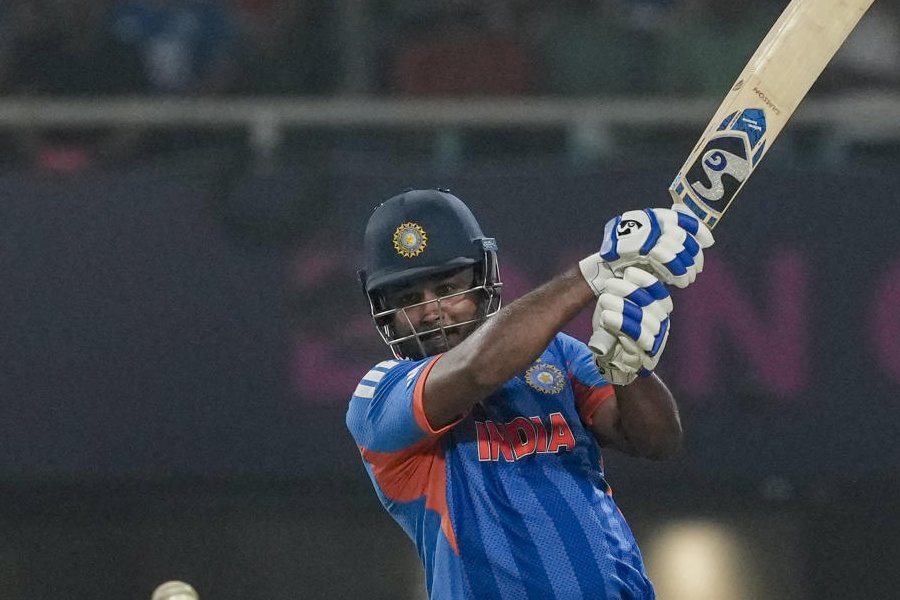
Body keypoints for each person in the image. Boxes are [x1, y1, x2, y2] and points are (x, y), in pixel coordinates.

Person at [346, 188, 713, 599]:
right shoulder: (377, 397)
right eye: (409, 299)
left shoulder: (559, 355)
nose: (432, 310)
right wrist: (599, 269)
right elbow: (476, 369)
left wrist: (633, 369)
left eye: (448, 287)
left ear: (482, 282)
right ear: (386, 314)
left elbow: (658, 441)